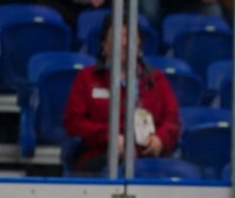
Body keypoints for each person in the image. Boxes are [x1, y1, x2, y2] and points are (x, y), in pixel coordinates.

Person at [63, 17, 181, 173]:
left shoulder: (156, 79)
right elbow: (74, 122)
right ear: (104, 45)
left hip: (149, 159)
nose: (124, 43)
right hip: (102, 155)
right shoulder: (87, 78)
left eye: (130, 37)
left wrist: (160, 139)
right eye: (117, 37)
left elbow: (172, 121)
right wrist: (109, 136)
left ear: (140, 45)